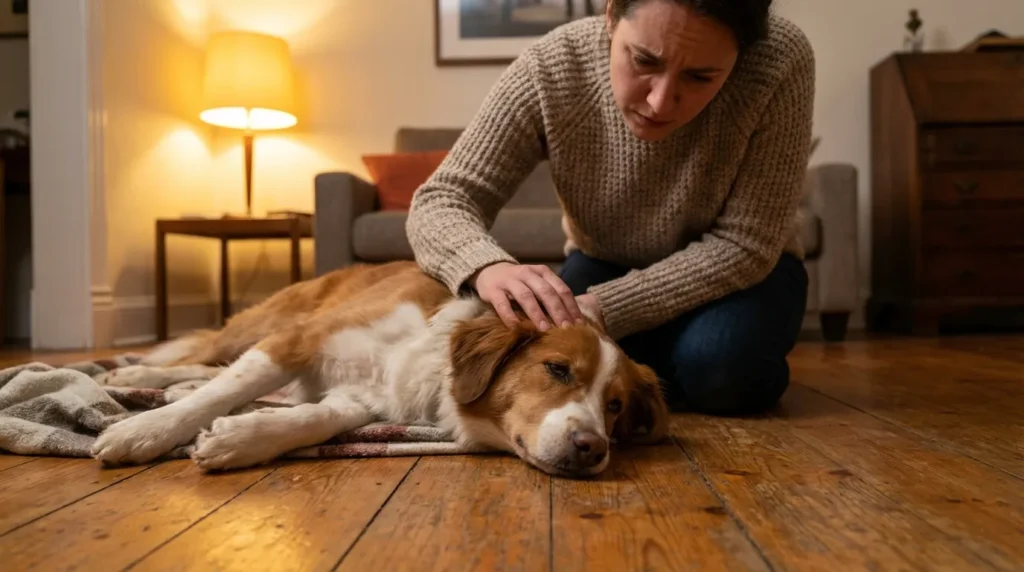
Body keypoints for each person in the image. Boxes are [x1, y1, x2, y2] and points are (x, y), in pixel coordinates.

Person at [405, 0, 815, 416]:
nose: (659, 102)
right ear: (611, 15)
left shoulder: (780, 59)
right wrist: (486, 266)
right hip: (606, 261)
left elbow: (746, 243)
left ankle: (682, 358)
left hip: (744, 273)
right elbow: (442, 199)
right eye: (643, 60)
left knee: (722, 372)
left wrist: (608, 309)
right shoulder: (553, 67)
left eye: (699, 77)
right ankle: (668, 359)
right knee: (575, 361)